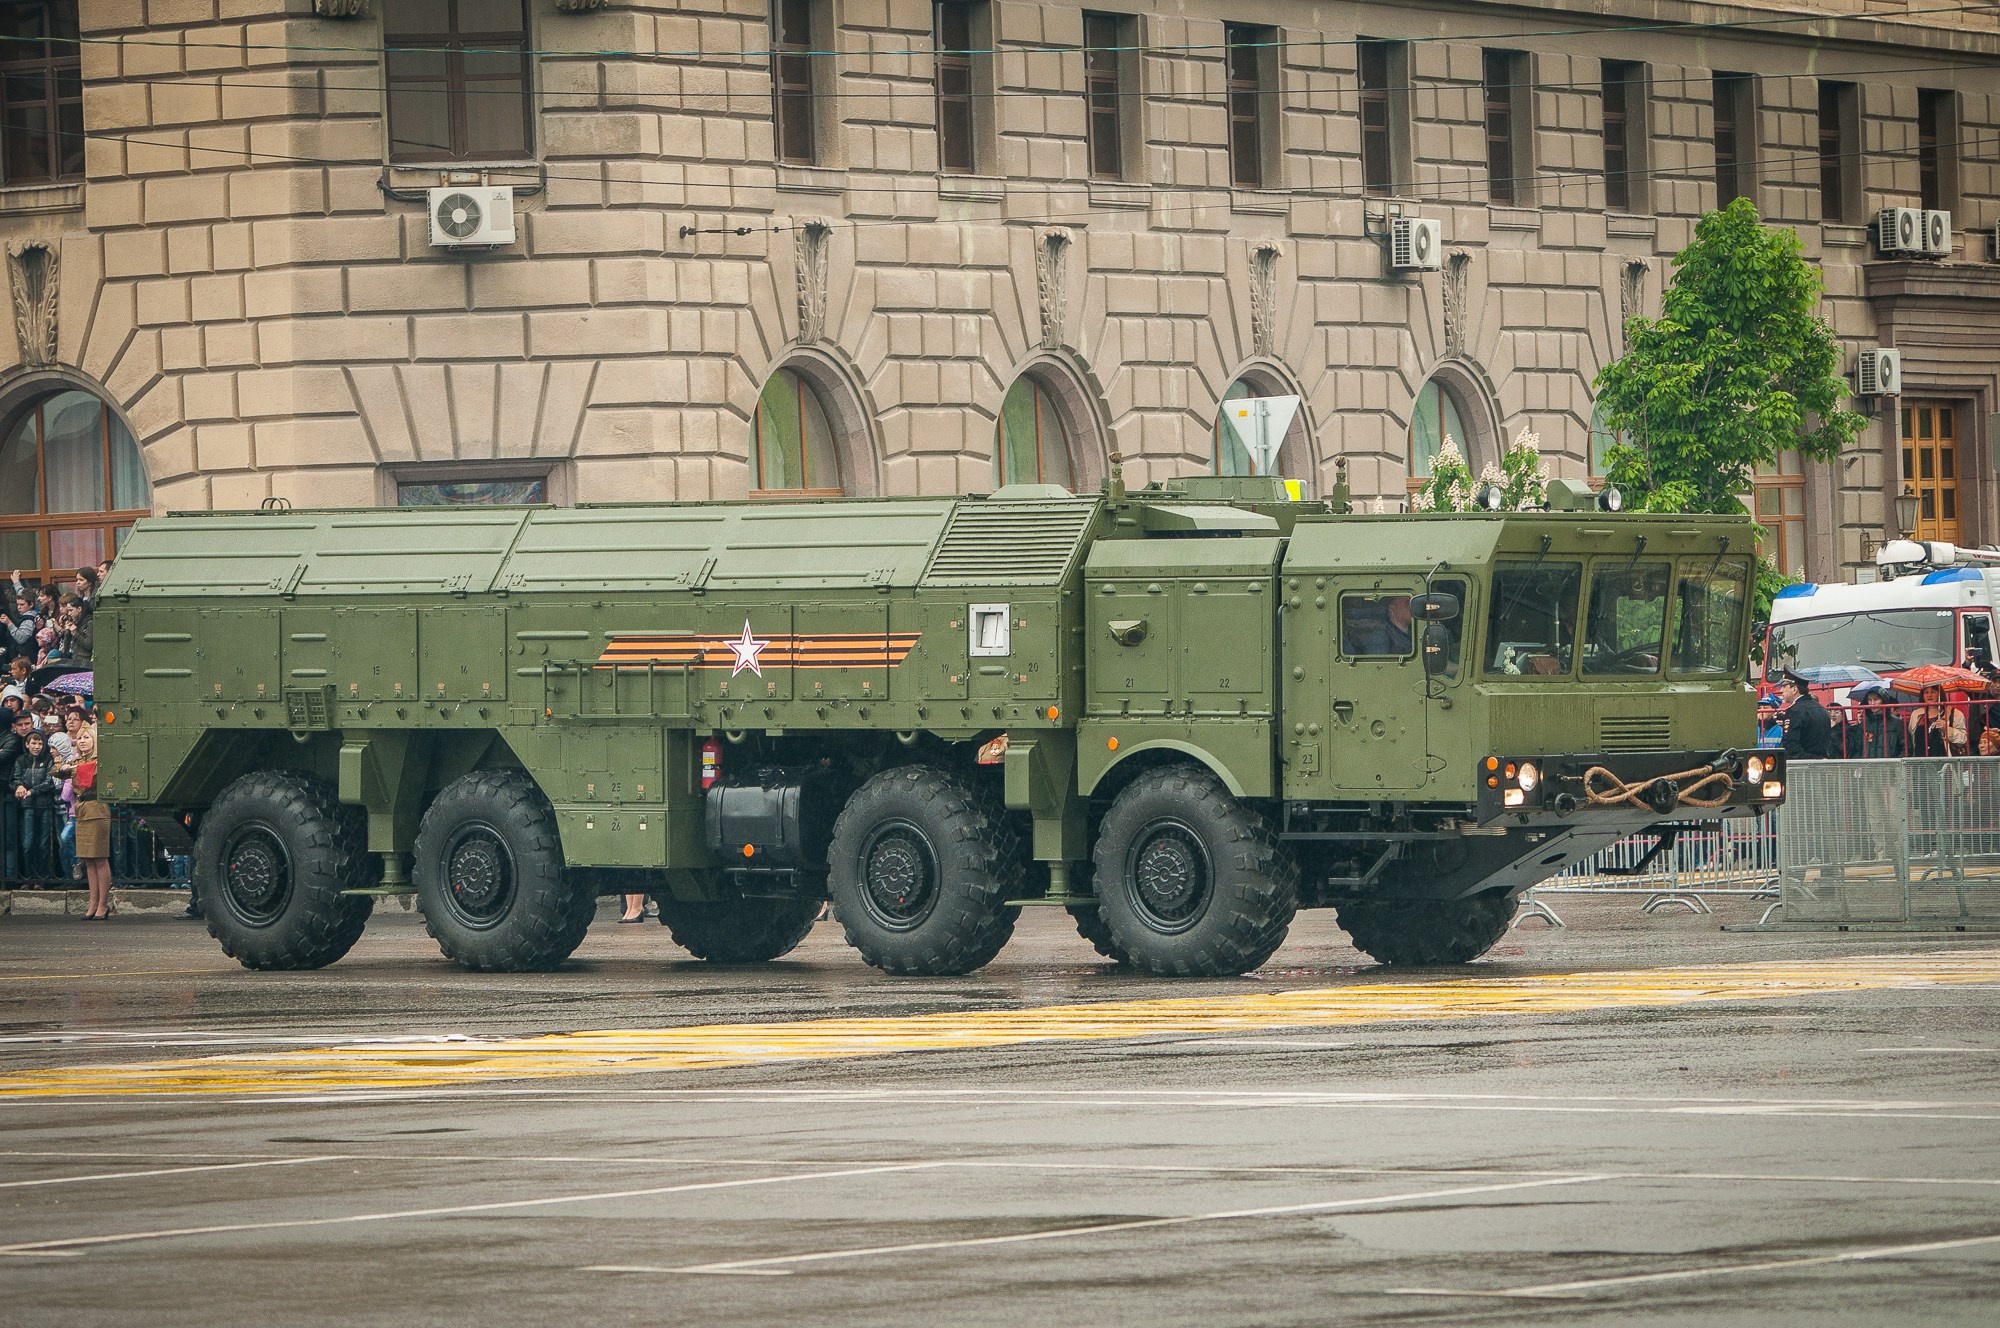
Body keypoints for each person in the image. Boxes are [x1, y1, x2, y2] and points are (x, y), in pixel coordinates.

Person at [59, 724, 109, 920]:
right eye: (79, 738)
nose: (82, 741)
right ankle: (93, 902)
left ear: (94, 741)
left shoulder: (98, 761)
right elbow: (56, 771)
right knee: (88, 859)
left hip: (96, 808)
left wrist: (72, 769)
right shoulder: (76, 761)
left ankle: (103, 904)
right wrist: (68, 767)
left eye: (87, 737)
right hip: (80, 810)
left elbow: (89, 777)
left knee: (99, 858)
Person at [11, 728, 57, 888]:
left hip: (44, 805)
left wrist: (31, 791)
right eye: (33, 743)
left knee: (44, 843)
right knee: (27, 843)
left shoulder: (48, 758)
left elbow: (49, 781)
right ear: (27, 744)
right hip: (26, 806)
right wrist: (19, 786)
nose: (37, 746)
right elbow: (15, 779)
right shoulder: (20, 760)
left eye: (40, 743)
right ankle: (28, 878)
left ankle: (41, 878)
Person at [1778, 672, 1834, 759]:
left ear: (1794, 690)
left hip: (1801, 767)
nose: (1781, 690)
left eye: (1784, 686)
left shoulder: (1795, 711)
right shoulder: (1821, 709)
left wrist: (1807, 760)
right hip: (1822, 764)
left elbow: (1791, 745)